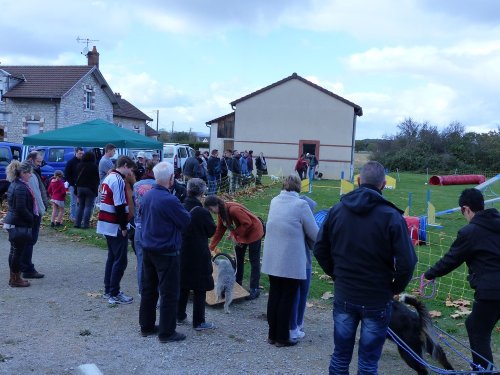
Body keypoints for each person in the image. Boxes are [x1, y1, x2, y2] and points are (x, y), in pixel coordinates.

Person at [314, 161, 417, 375]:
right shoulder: (391, 216)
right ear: (383, 184)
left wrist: (336, 274)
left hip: (349, 294)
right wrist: (394, 288)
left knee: (341, 356)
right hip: (376, 297)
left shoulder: (337, 210)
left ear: (358, 181)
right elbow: (408, 262)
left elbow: (319, 248)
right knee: (368, 363)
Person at [424, 188, 500, 373]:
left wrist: (429, 274)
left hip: (492, 291)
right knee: (474, 324)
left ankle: (483, 370)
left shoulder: (470, 231)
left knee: (477, 330)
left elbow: (452, 258)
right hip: (493, 289)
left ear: (465, 209)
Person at [262, 175, 319, 347]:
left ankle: (272, 335)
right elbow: (314, 233)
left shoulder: (274, 201)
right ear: (298, 188)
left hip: (272, 258)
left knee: (274, 296)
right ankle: (282, 337)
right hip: (290, 260)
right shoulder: (301, 204)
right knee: (287, 297)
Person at [139, 162, 191, 343]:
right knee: (169, 293)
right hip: (166, 251)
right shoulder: (170, 199)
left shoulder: (147, 195)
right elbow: (185, 220)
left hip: (148, 249)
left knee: (149, 289)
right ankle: (167, 332)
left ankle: (146, 326)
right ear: (170, 179)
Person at [204, 195, 264, 300]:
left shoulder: (233, 210)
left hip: (254, 231)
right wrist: (211, 247)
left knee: (254, 261)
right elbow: (220, 230)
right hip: (243, 232)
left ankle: (254, 288)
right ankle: (237, 283)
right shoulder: (221, 212)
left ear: (215, 205)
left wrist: (234, 234)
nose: (211, 211)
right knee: (238, 259)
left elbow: (247, 223)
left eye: (210, 209)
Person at [177, 178, 217, 331]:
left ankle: (179, 314)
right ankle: (199, 321)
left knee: (183, 284)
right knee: (200, 287)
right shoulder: (201, 211)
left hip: (182, 249)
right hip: (198, 251)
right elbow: (211, 231)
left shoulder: (181, 206)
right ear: (202, 192)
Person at [97, 155, 136, 305]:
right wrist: (123, 226)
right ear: (125, 165)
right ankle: (114, 292)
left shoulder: (108, 177)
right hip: (114, 224)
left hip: (106, 223)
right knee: (120, 260)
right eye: (130, 170)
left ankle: (108, 290)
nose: (130, 174)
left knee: (112, 258)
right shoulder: (118, 180)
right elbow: (120, 205)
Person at [290, 194, 318, 340]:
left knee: (297, 294)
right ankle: (297, 324)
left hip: (295, 263)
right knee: (301, 294)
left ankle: (296, 323)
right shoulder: (307, 225)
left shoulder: (292, 221)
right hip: (304, 264)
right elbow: (315, 242)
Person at [3, 161, 34, 287]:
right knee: (17, 252)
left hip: (13, 222)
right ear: (23, 173)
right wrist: (31, 218)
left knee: (14, 251)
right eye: (29, 173)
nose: (31, 175)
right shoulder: (21, 187)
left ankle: (14, 277)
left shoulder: (15, 184)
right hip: (18, 223)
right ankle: (15, 279)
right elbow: (21, 208)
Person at [22, 151, 49, 279]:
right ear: (31, 159)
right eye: (38, 162)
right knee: (29, 240)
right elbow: (35, 194)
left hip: (32, 210)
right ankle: (27, 268)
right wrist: (41, 209)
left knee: (27, 241)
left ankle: (24, 266)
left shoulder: (30, 171)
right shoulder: (29, 173)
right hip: (33, 211)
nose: (40, 164)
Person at [132, 161, 156, 295]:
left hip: (139, 226)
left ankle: (142, 291)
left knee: (141, 260)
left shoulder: (136, 185)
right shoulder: (158, 186)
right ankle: (156, 293)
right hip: (153, 226)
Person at [74, 151, 100, 229]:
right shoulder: (94, 166)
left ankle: (77, 223)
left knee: (80, 206)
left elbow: (76, 177)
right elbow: (96, 179)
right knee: (88, 206)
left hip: (80, 188)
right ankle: (85, 224)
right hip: (90, 188)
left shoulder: (79, 165)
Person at [64, 147, 84, 221]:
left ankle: (79, 216)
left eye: (82, 153)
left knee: (81, 201)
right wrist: (72, 183)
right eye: (80, 153)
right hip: (73, 185)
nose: (81, 155)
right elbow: (66, 174)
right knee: (74, 201)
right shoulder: (71, 162)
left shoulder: (83, 162)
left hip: (82, 185)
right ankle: (73, 216)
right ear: (75, 153)